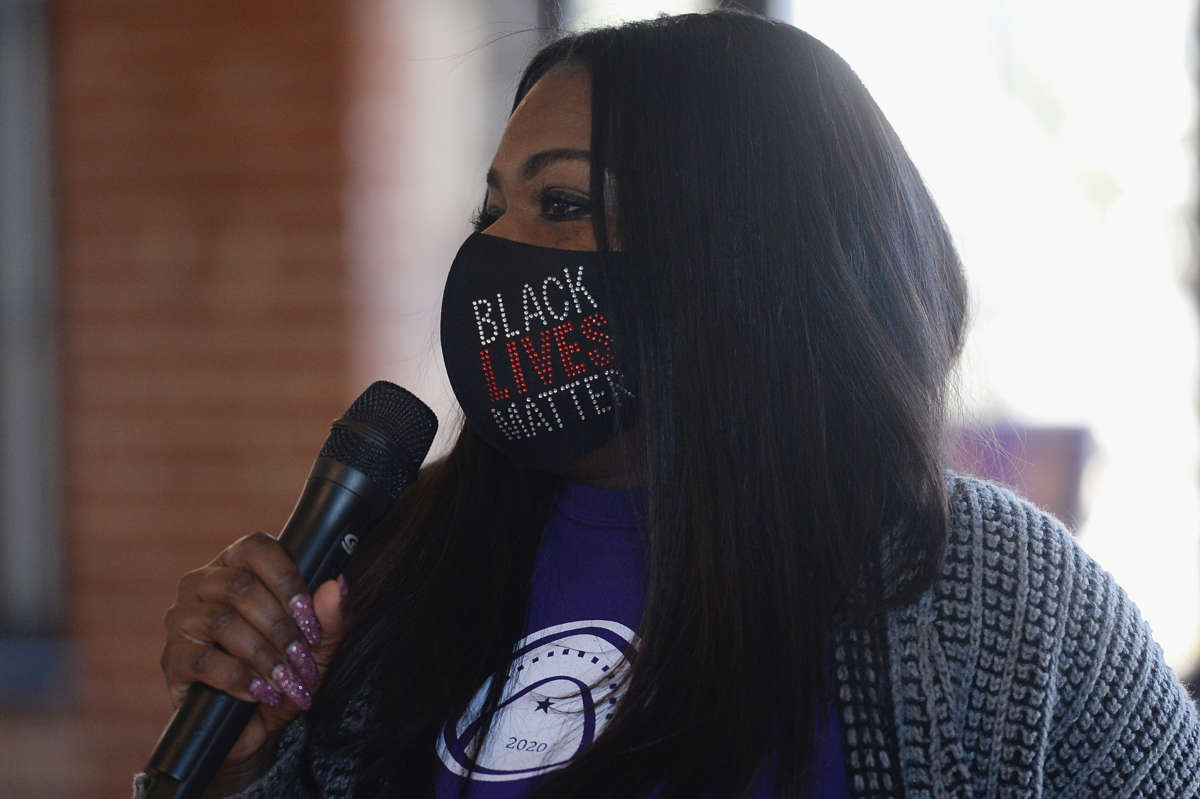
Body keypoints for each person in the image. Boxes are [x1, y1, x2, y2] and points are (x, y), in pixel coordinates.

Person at [134, 10, 1200, 798]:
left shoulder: (1000, 597)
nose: (494, 256)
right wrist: (244, 762)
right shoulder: (395, 561)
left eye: (561, 204)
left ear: (743, 253)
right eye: (491, 208)